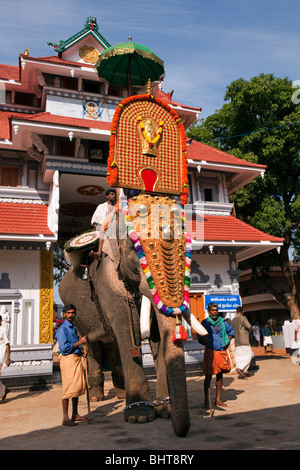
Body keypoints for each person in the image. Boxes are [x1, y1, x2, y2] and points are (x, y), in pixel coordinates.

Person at [56, 304, 88, 426]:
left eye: (73, 313)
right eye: (68, 313)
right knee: (68, 389)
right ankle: (65, 417)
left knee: (76, 388)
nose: (71, 315)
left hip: (75, 358)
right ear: (65, 314)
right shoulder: (62, 329)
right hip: (68, 360)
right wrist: (80, 342)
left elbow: (73, 345)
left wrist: (80, 350)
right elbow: (64, 348)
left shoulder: (73, 327)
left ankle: (75, 414)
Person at [199, 303, 235, 409]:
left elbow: (231, 331)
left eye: (216, 310)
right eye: (213, 310)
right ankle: (206, 400)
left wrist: (227, 341)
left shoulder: (223, 322)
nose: (215, 312)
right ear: (209, 311)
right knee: (208, 376)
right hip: (210, 351)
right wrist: (203, 340)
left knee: (220, 375)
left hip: (221, 351)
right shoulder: (204, 323)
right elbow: (200, 336)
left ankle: (218, 399)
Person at [89, 188, 118, 261]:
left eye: (115, 194)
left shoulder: (117, 207)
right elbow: (94, 221)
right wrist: (100, 227)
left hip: (114, 228)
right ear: (107, 196)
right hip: (102, 228)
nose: (114, 196)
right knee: (102, 231)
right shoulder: (101, 206)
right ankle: (99, 252)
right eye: (112, 194)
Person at [231, 307, 253, 379]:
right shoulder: (243, 318)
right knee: (249, 354)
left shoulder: (233, 320)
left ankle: (244, 372)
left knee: (239, 356)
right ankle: (240, 368)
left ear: (236, 311)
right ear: (242, 311)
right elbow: (249, 327)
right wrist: (251, 329)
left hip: (237, 340)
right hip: (244, 339)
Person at [0, 314, 11, 401]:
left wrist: (8, 358)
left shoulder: (4, 330)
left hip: (1, 355)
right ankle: (4, 389)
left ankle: (3, 390)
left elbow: (7, 344)